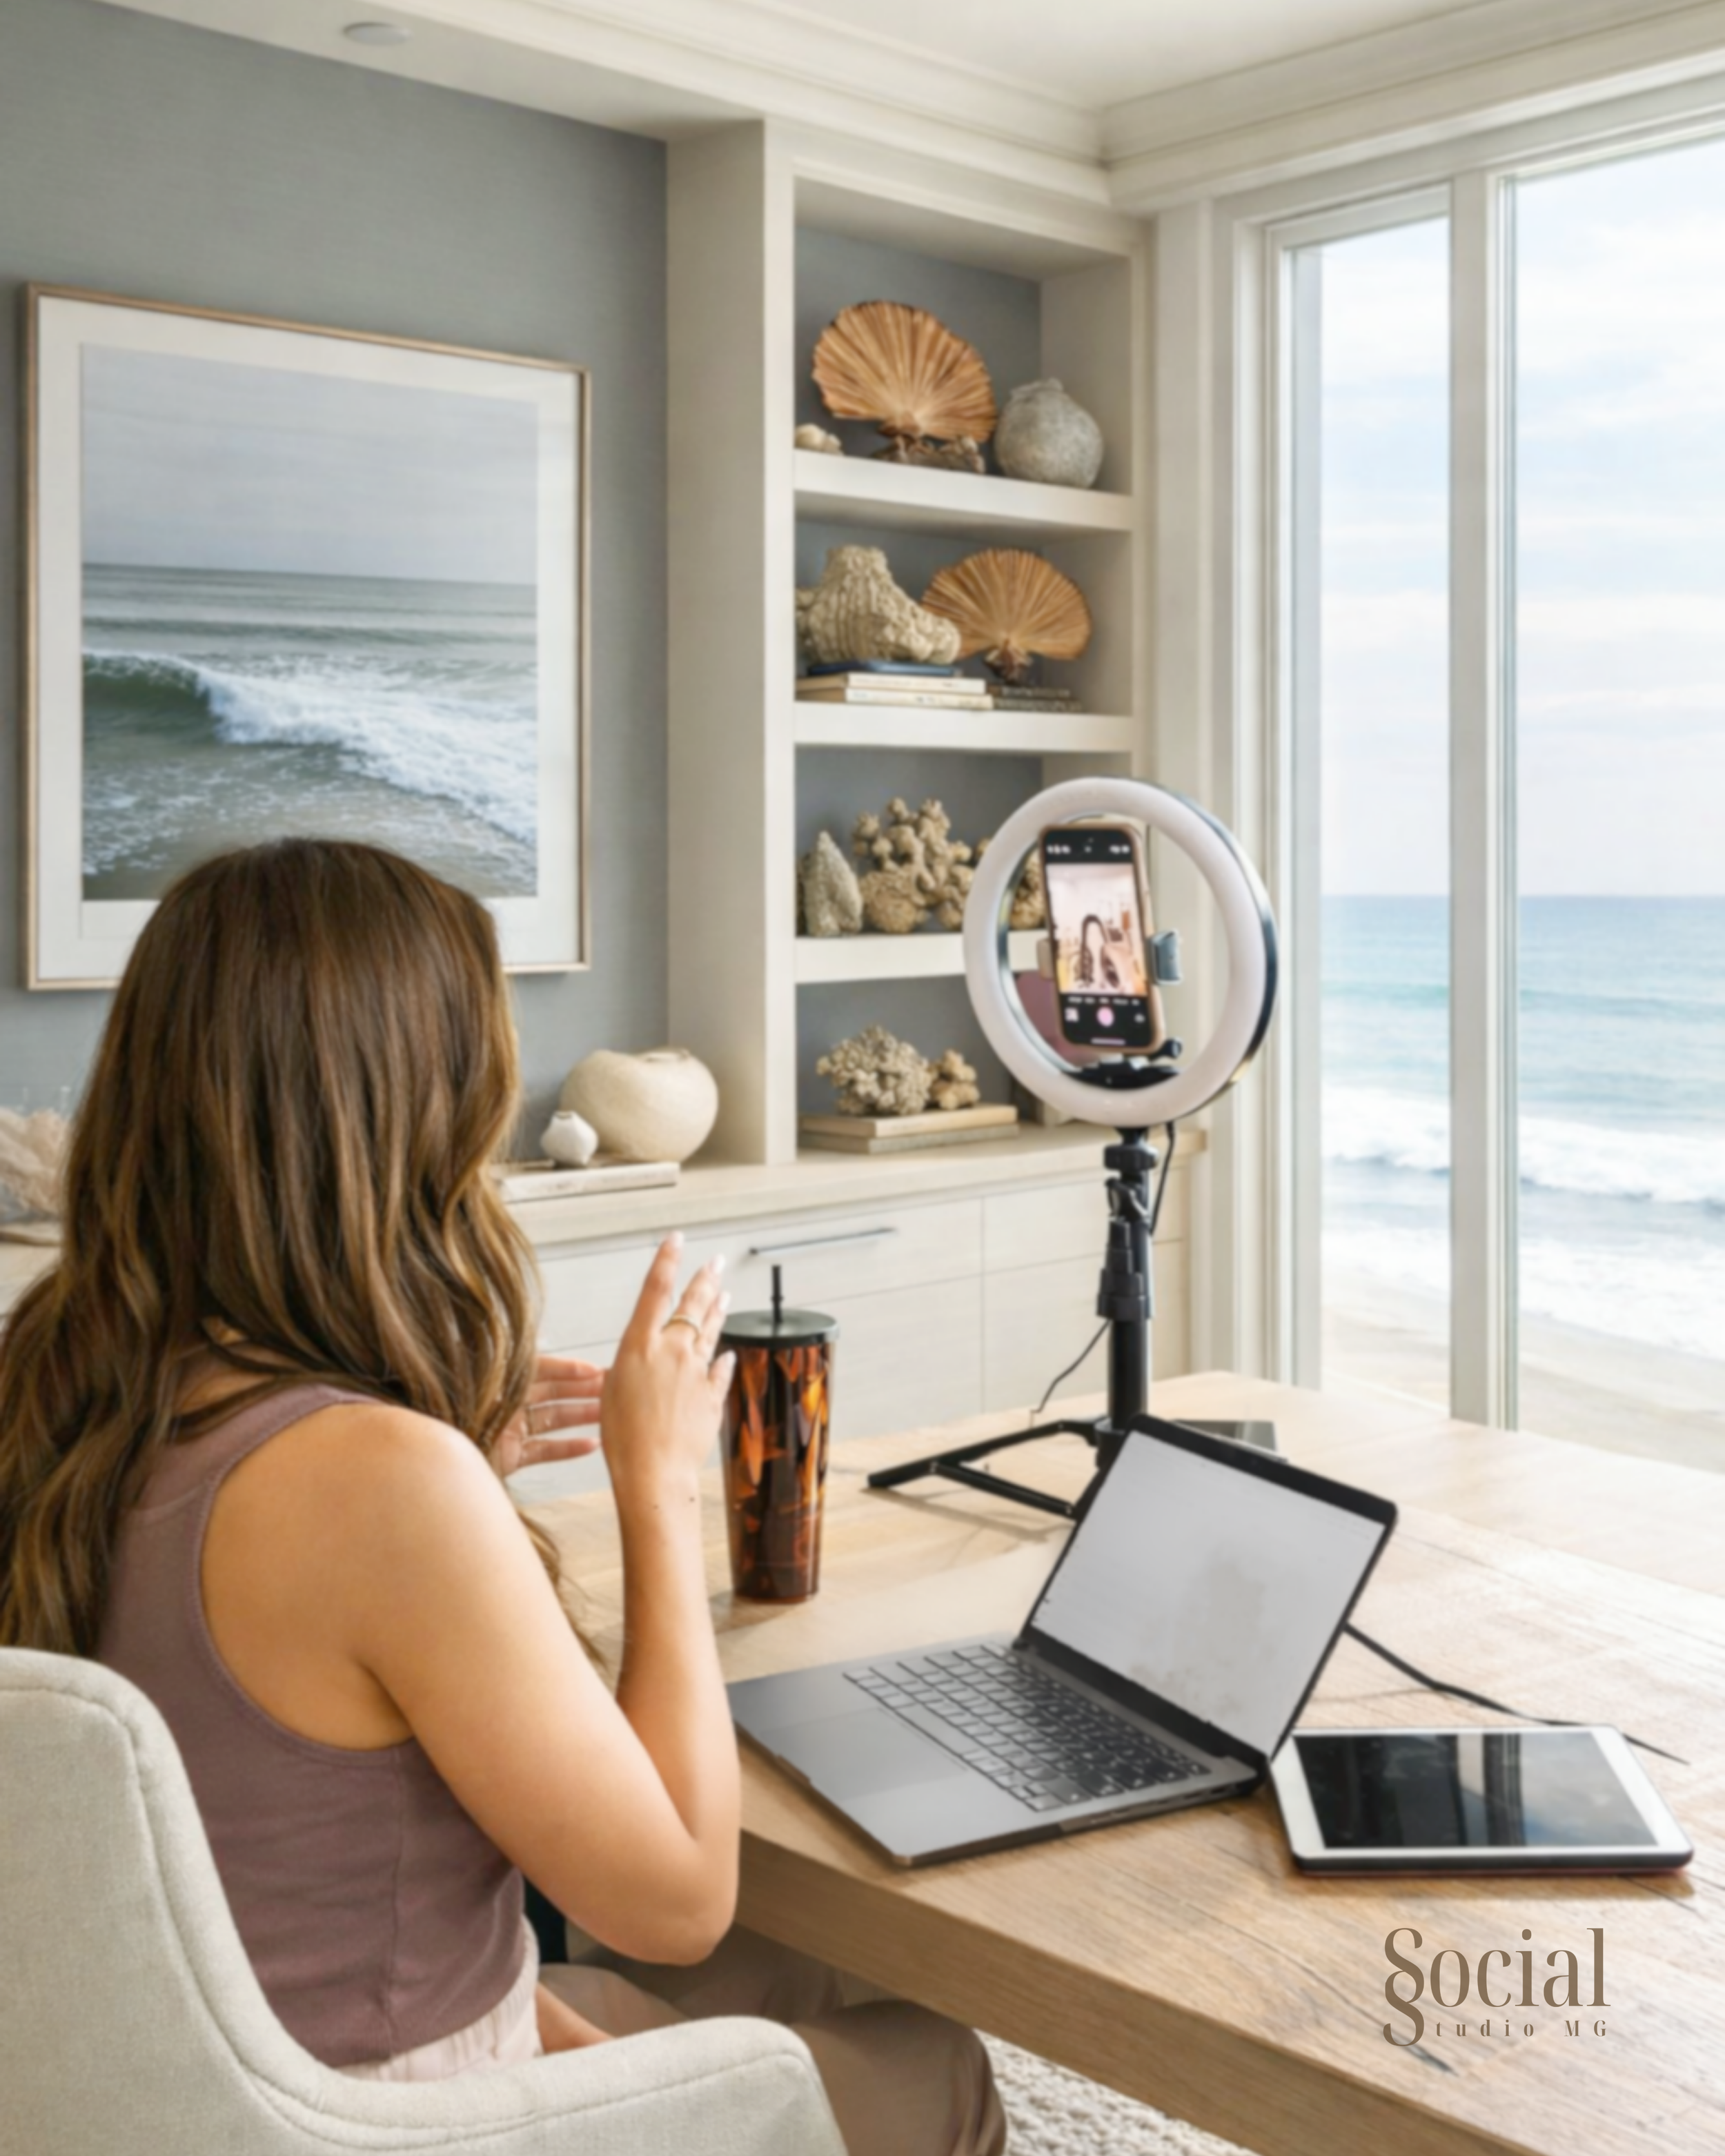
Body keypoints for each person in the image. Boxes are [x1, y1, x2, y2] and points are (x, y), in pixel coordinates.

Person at [0, 839, 1002, 2156]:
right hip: (382, 2121)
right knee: (934, 2060)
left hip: (179, 2086)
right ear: (402, 1128)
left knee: (778, 1992)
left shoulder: (56, 1382)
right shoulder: (379, 1488)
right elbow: (679, 1900)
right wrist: (656, 1491)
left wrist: (451, 1472)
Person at [1074, 912, 1125, 992]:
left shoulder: (1110, 962)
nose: (1096, 938)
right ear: (1085, 938)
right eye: (1091, 934)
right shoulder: (1079, 968)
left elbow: (1122, 986)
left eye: (1098, 932)